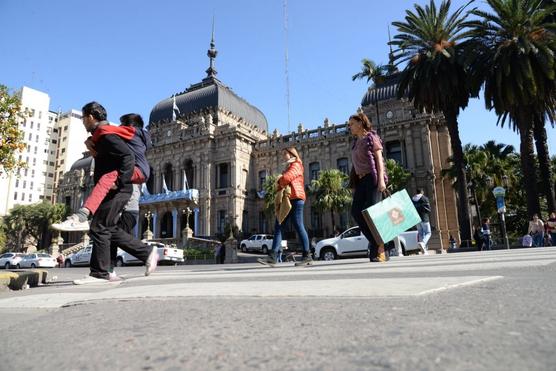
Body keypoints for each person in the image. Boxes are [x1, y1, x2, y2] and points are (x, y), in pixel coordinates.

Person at [72, 102, 158, 284]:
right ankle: (106, 271)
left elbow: (112, 140)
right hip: (127, 199)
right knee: (103, 230)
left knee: (104, 229)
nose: (119, 129)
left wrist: (97, 136)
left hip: (125, 202)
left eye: (122, 126)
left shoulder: (128, 141)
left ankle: (108, 269)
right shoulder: (137, 143)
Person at [52, 113, 152, 231]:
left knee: (108, 177)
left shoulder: (132, 132)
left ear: (129, 125)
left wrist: (91, 139)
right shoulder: (139, 137)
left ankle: (82, 215)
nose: (120, 126)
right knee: (110, 182)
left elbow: (105, 130)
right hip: (140, 172)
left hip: (137, 169)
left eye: (122, 124)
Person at [258, 147, 312, 267]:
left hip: (296, 198)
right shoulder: (291, 167)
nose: (283, 156)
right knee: (279, 225)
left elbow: (286, 179)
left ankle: (307, 255)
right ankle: (273, 256)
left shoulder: (297, 165)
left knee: (298, 225)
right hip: (288, 199)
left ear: (292, 154)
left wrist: (279, 181)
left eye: (285, 154)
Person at [347, 112, 388, 263]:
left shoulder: (371, 137)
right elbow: (355, 166)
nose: (349, 127)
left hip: (372, 178)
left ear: (360, 123)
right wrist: (353, 183)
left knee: (371, 213)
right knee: (356, 212)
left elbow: (379, 160)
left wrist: (381, 182)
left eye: (351, 124)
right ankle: (378, 243)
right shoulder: (356, 143)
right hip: (361, 181)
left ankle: (380, 249)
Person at [412, 188, 431, 255]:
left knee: (420, 233)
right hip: (424, 218)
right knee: (428, 233)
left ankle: (424, 251)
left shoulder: (412, 199)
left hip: (416, 219)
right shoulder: (424, 198)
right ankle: (423, 243)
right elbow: (428, 209)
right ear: (422, 192)